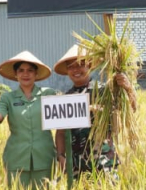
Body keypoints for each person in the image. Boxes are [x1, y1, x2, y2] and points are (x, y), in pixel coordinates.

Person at [51, 44, 137, 182]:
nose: (76, 70)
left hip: (104, 160)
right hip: (77, 163)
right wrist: (60, 155)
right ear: (67, 71)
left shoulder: (105, 91)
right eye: (71, 67)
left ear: (90, 66)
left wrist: (128, 88)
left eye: (81, 64)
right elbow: (61, 132)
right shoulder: (66, 98)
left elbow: (131, 109)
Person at [0, 51, 58, 190]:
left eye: (30, 70)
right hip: (17, 157)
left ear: (36, 73)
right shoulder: (8, 98)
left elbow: (66, 119)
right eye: (21, 70)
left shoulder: (48, 94)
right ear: (16, 74)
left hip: (44, 156)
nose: (25, 74)